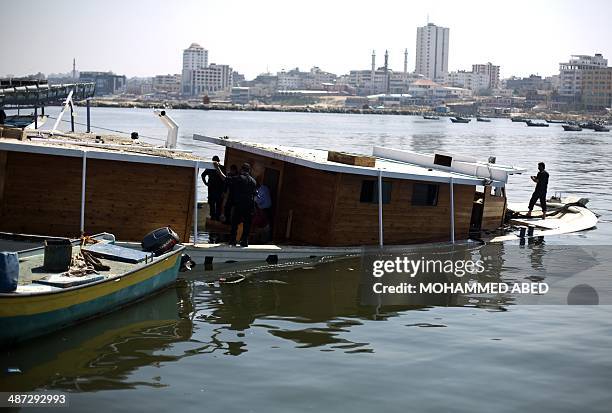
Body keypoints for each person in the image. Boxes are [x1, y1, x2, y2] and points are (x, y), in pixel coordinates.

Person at [214, 161, 257, 247]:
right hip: (250, 206)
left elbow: (225, 178)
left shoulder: (239, 178)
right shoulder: (253, 181)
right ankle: (244, 241)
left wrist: (217, 168)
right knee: (247, 225)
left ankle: (233, 241)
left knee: (234, 223)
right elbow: (254, 195)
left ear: (241, 170)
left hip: (240, 205)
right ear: (249, 171)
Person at [201, 156, 225, 221]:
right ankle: (216, 217)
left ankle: (213, 217)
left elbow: (203, 175)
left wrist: (205, 183)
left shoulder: (210, 168)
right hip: (217, 189)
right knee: (217, 204)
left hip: (213, 189)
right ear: (219, 161)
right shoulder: (222, 168)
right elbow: (225, 180)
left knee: (213, 203)